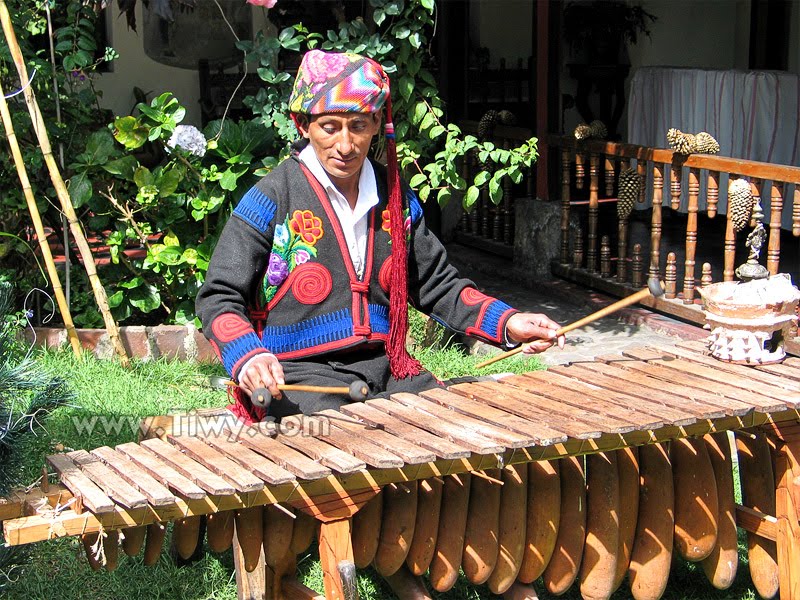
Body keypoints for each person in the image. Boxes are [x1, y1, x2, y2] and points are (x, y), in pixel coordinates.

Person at [196, 49, 563, 599]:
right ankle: (396, 566)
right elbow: (218, 296)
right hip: (299, 377)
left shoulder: (395, 198)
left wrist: (508, 324)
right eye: (329, 126)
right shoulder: (271, 196)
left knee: (458, 424)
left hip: (384, 368)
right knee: (357, 451)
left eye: (359, 125)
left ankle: (479, 560)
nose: (344, 144)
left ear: (376, 127)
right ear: (303, 124)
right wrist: (249, 357)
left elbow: (438, 284)